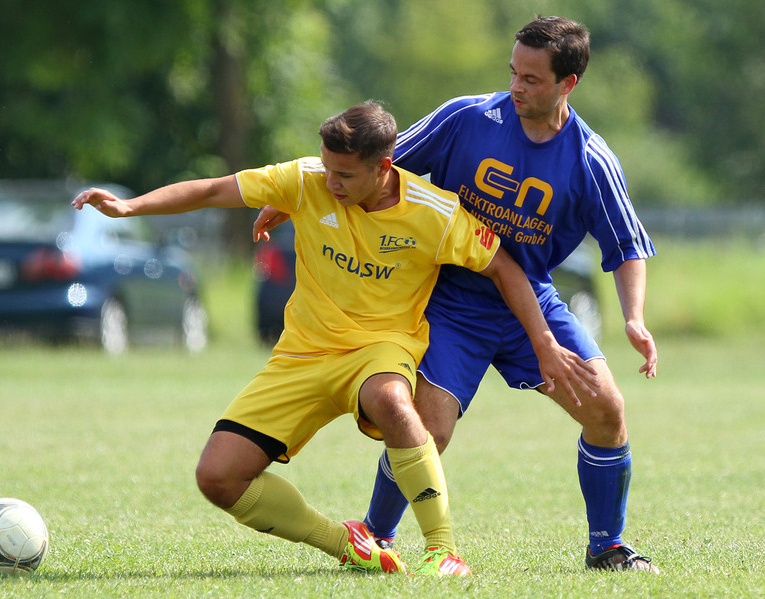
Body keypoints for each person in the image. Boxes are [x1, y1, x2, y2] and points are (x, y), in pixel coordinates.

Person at [73, 102, 597, 577]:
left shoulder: (435, 215)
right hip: (301, 355)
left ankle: (442, 549)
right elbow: (214, 189)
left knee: (392, 398)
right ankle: (347, 544)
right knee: (217, 478)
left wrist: (544, 342)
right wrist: (128, 207)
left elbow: (506, 270)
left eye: (345, 175)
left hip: (380, 349)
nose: (332, 182)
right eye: (327, 169)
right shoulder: (307, 179)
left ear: (384, 167)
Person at [253, 17, 659, 573]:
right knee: (429, 428)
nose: (516, 87)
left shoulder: (590, 159)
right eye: (514, 72)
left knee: (607, 412)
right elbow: (377, 161)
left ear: (569, 84)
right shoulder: (467, 118)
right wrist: (300, 191)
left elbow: (626, 245)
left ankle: (607, 545)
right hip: (449, 302)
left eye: (533, 79)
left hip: (530, 304)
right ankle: (376, 533)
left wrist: (634, 318)